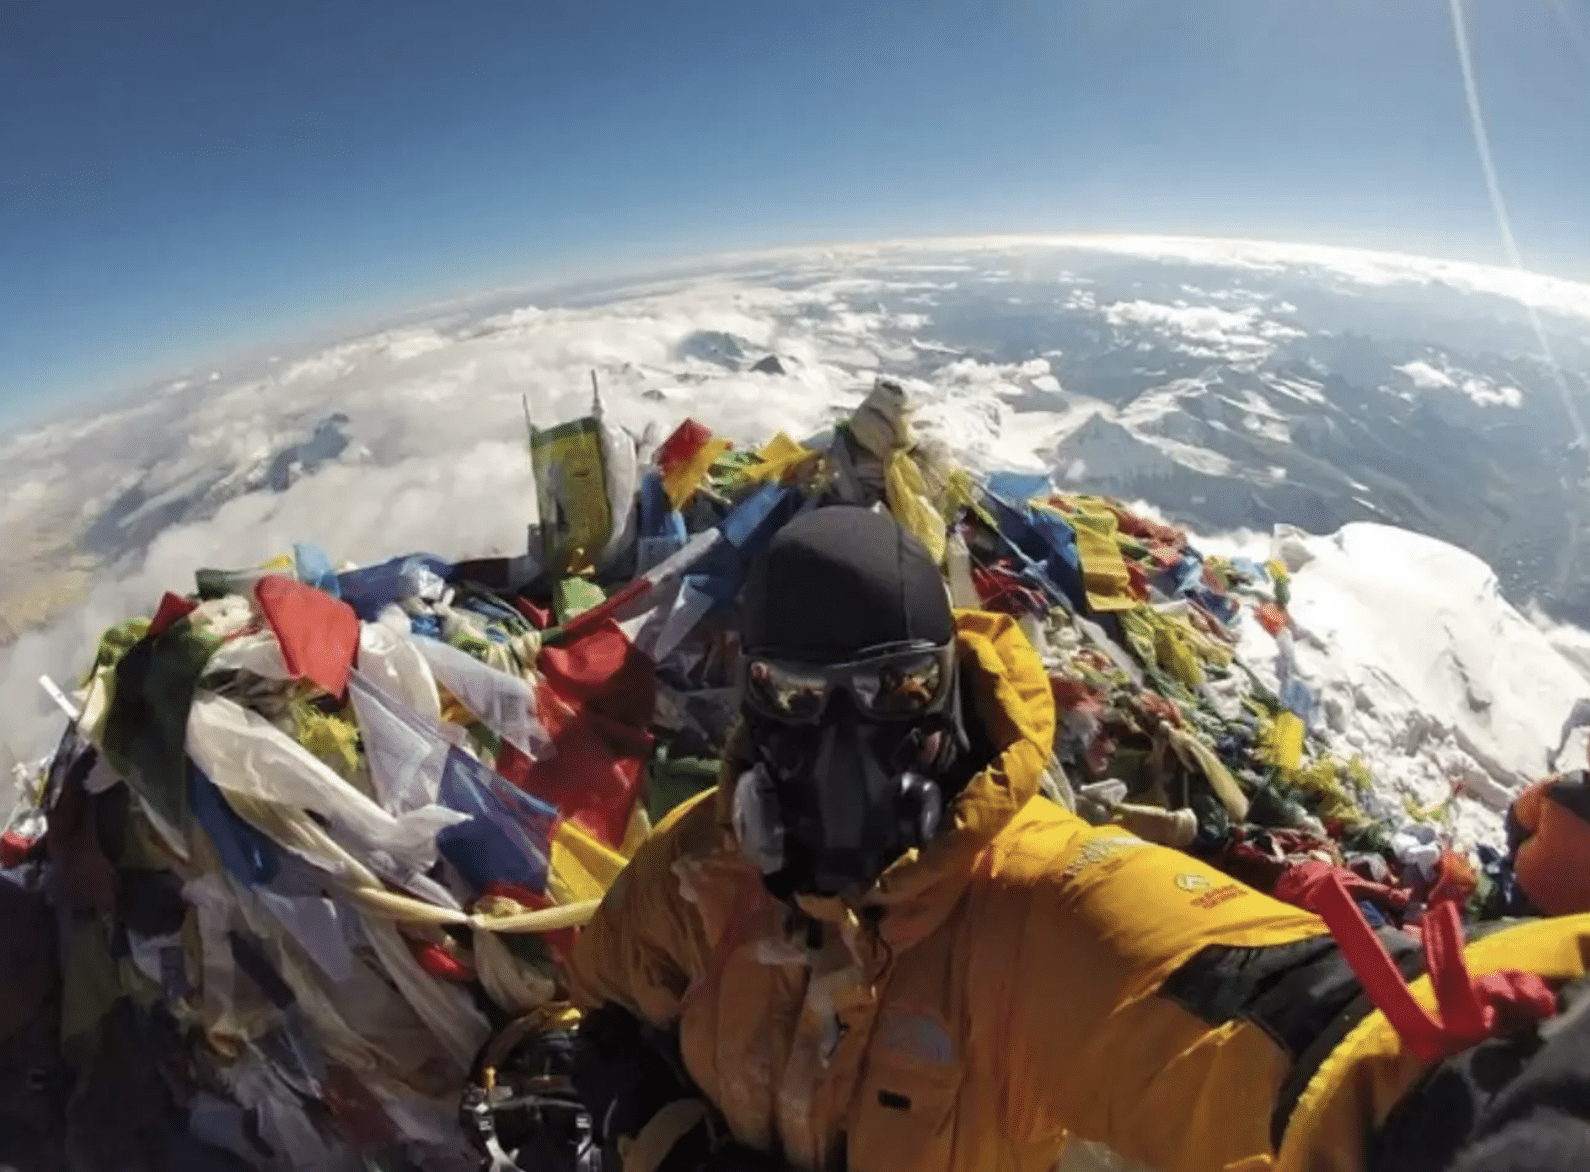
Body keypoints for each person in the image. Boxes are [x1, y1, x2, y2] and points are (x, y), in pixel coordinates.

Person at [556, 505, 1590, 1172]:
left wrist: (1497, 1087)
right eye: (794, 694)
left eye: (894, 689)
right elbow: (594, 995)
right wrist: (658, 1122)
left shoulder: (1044, 905)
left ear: (949, 689)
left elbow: (1269, 1012)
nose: (841, 740)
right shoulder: (703, 865)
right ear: (753, 698)